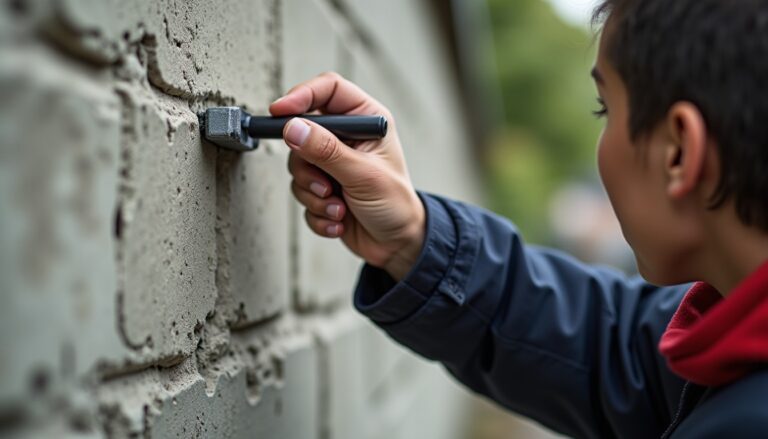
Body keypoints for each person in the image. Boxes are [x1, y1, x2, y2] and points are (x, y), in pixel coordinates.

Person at [269, 0, 768, 437]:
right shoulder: (723, 342)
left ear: (678, 153)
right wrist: (416, 242)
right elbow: (615, 350)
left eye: (605, 109)